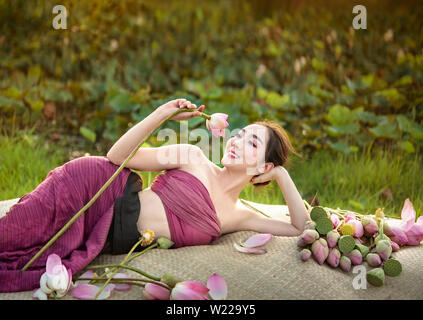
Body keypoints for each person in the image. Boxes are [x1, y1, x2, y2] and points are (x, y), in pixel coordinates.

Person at [0, 98, 309, 292]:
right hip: (93, 188)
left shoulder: (240, 215)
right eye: (240, 134)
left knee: (23, 255)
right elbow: (117, 154)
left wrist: (281, 174)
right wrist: (162, 114)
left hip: (110, 235)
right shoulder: (192, 157)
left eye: (252, 143)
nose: (237, 142)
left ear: (264, 165)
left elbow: (299, 226)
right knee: (12, 234)